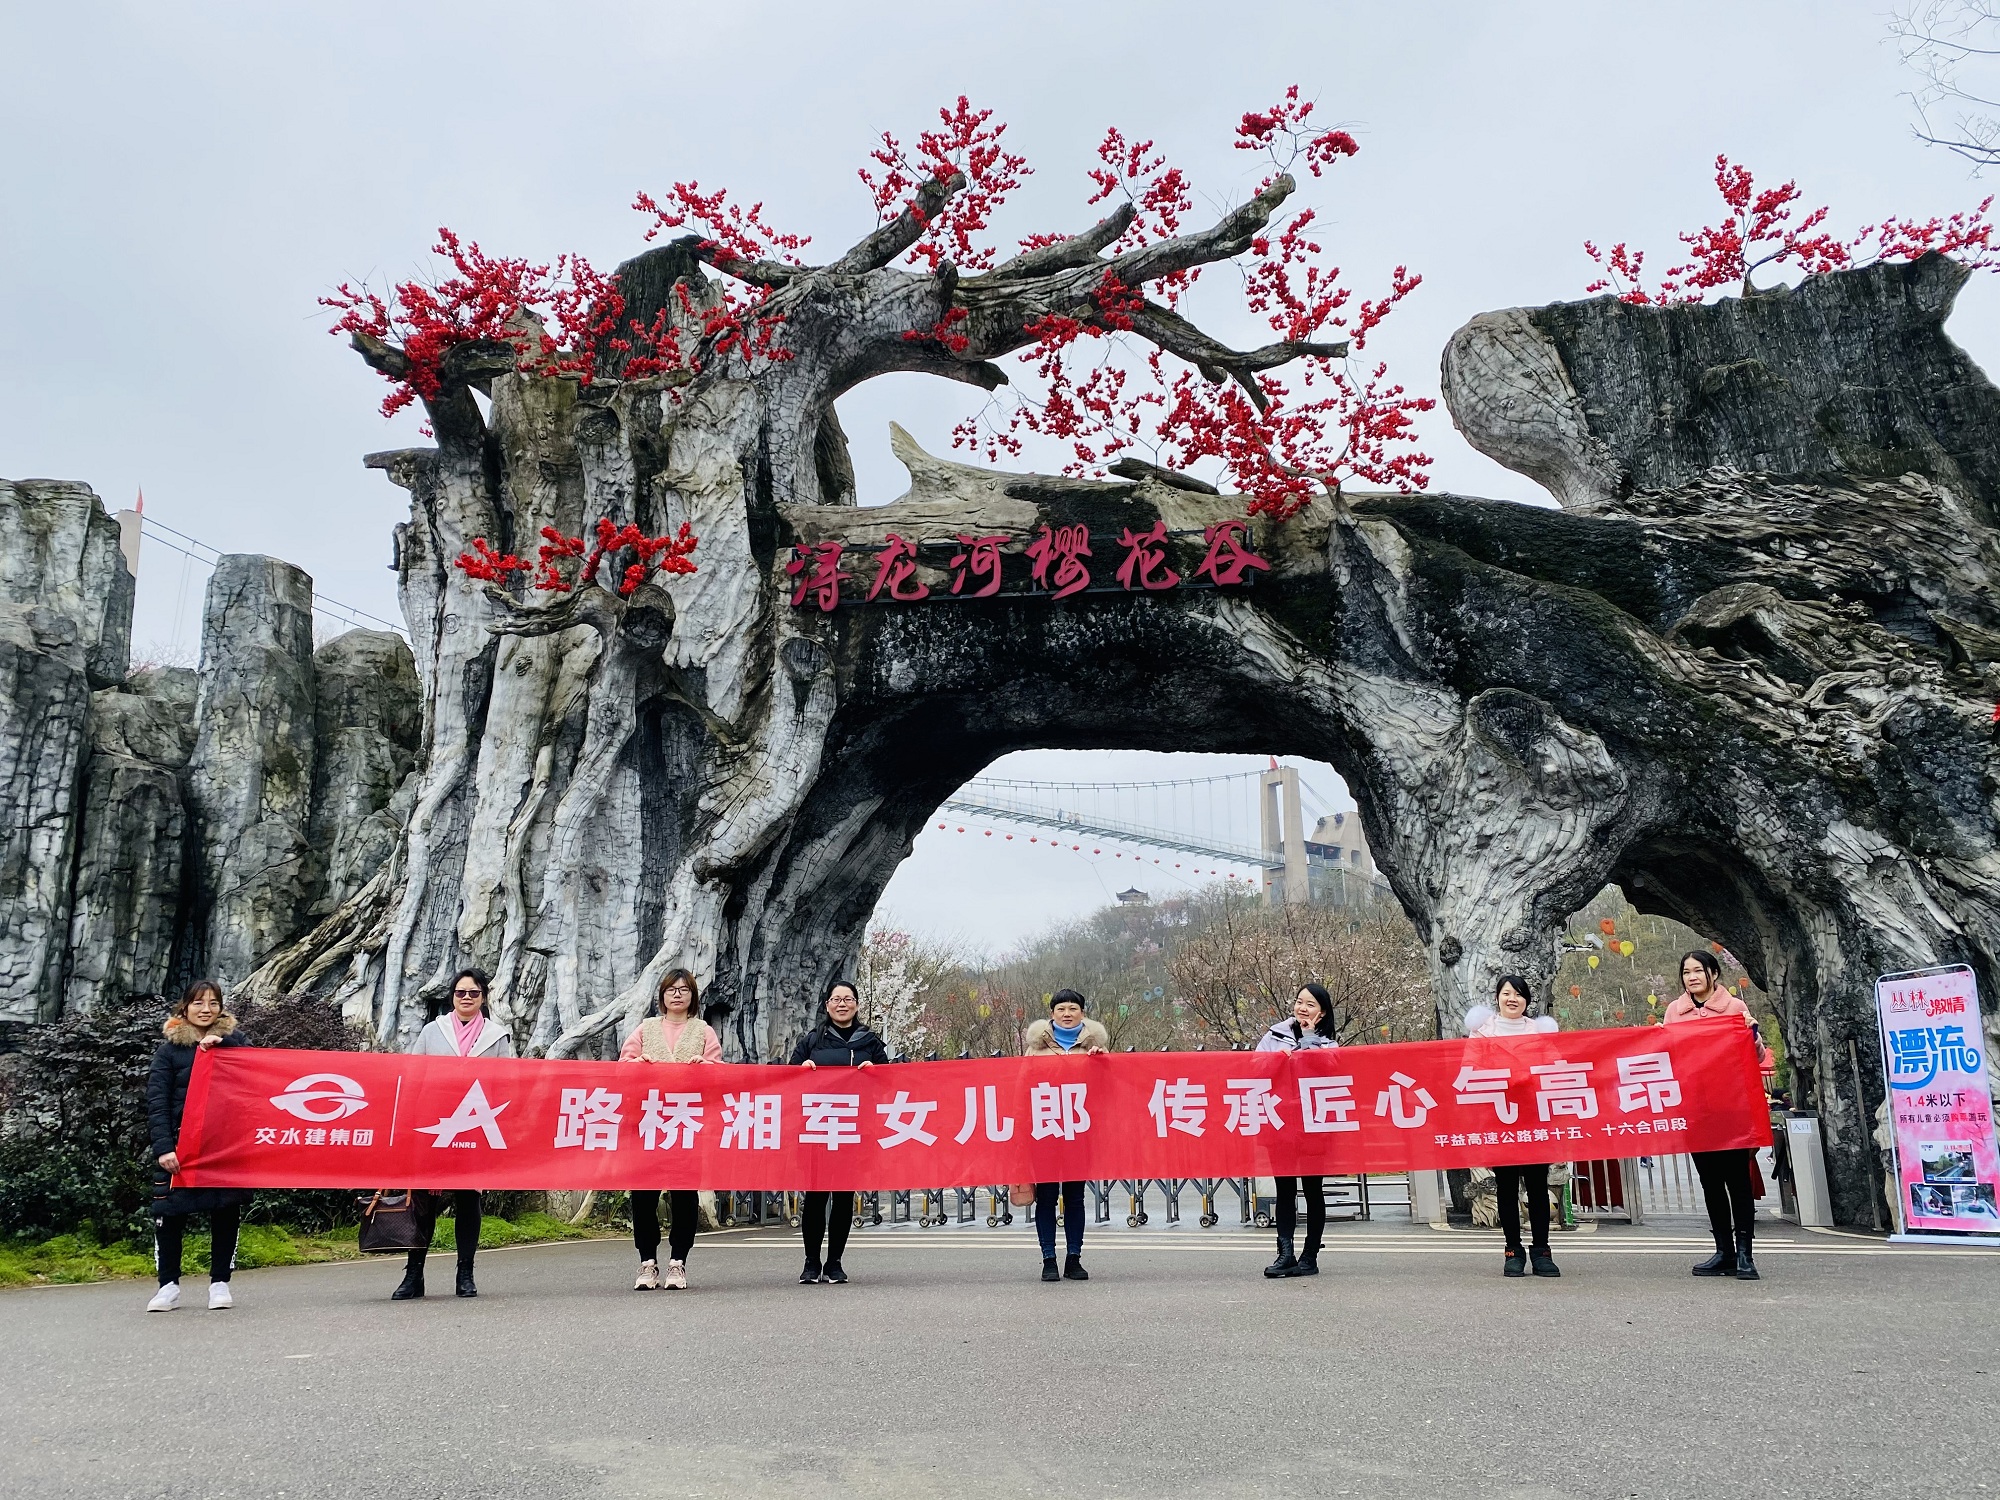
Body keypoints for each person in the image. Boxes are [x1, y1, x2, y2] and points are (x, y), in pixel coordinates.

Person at [394, 968, 516, 1301]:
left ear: (483, 998)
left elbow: (507, 1083)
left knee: (468, 1198)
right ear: (452, 996)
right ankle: (413, 1274)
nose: (466, 998)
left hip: (476, 1123)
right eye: (460, 993)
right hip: (435, 1124)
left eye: (473, 993)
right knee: (424, 1200)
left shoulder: (496, 1036)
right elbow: (414, 1074)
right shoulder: (433, 1031)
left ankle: (465, 1272)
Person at [1665, 949, 1774, 1281]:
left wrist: (1752, 1035)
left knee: (1738, 1181)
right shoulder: (1674, 1012)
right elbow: (1668, 1057)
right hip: (1697, 1111)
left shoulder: (1735, 1008)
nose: (1692, 977)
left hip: (1732, 1109)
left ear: (1714, 973)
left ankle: (1745, 1254)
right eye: (1686, 973)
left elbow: (1754, 1056)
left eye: (1699, 970)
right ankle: (1723, 1250)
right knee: (1710, 1182)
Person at [146, 981, 252, 1312]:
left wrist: (228, 1045)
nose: (206, 1009)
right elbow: (157, 1101)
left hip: (223, 1146)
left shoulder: (235, 1044)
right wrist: (164, 1147)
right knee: (168, 1215)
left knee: (225, 1211)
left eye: (213, 1003)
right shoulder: (169, 1051)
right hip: (180, 1147)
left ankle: (220, 1283)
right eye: (198, 1003)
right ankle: (168, 1286)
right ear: (184, 1008)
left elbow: (261, 1073)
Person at [620, 967, 720, 1290]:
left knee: (684, 1194)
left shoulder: (704, 1031)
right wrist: (638, 1065)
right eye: (671, 989)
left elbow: (719, 1073)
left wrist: (706, 1068)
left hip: (686, 1124)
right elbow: (623, 1066)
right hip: (649, 1122)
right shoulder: (646, 1028)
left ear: (693, 996)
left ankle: (678, 1261)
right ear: (662, 995)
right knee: (644, 1194)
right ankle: (647, 1261)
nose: (677, 994)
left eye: (684, 989)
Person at [789, 980, 888, 1285]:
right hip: (818, 1127)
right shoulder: (813, 1040)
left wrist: (876, 1069)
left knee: (844, 1197)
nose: (842, 1004)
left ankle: (834, 1263)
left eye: (848, 999)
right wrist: (802, 1068)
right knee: (816, 1197)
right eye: (836, 999)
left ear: (857, 1005)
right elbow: (788, 1079)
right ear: (827, 1005)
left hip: (853, 1128)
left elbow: (892, 1081)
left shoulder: (870, 1041)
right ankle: (810, 1262)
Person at [1464, 975, 1563, 1279]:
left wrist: (1530, 1078)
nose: (1512, 999)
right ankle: (1513, 1250)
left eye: (1519, 994)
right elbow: (1469, 1071)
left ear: (1527, 1000)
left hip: (1534, 1118)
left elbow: (1556, 1068)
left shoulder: (1539, 1032)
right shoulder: (1481, 1033)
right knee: (1506, 1187)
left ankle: (1542, 1251)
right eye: (1507, 993)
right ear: (1497, 998)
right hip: (1499, 1118)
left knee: (1537, 1187)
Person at [1023, 989, 1108, 1283]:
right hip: (1045, 1129)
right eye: (1061, 1008)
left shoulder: (1095, 1046)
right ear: (1052, 1013)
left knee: (1074, 1197)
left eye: (1073, 1008)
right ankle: (1048, 1258)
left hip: (1080, 1131)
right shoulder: (1036, 1047)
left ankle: (1074, 1258)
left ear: (1082, 1013)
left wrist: (1102, 1061)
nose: (1067, 1013)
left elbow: (1108, 1088)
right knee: (1046, 1197)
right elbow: (1022, 1087)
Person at [1256, 983, 1339, 1278]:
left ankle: (1310, 1256)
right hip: (1279, 1124)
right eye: (1299, 1002)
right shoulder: (1273, 1035)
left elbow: (1329, 1070)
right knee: (1285, 1190)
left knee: (1313, 1190)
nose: (1302, 1008)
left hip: (1313, 1126)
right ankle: (1285, 1254)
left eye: (1311, 1004)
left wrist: (1307, 1040)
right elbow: (1254, 1069)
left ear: (1322, 1012)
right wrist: (1278, 1060)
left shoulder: (1328, 1042)